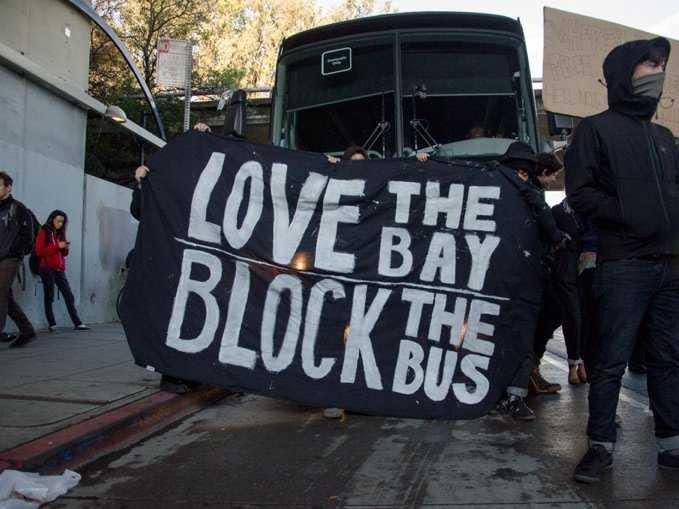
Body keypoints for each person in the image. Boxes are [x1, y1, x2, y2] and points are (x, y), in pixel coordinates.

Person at [566, 37, 679, 482]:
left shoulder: (665, 136)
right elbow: (580, 193)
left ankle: (671, 445)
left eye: (661, 65)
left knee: (668, 359)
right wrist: (630, 215)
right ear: (622, 75)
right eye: (647, 65)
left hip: (670, 265)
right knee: (611, 359)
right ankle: (599, 446)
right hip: (624, 265)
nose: (658, 72)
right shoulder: (594, 129)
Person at [496, 142, 569, 420]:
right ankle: (513, 395)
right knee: (522, 333)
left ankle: (517, 391)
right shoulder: (527, 195)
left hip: (519, 278)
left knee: (524, 333)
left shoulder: (520, 193)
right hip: (515, 279)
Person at [34, 210, 89, 332]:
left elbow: (63, 254)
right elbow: (39, 251)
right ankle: (52, 324)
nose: (60, 224)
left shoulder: (60, 233)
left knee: (69, 295)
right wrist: (57, 246)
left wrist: (65, 248)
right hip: (46, 268)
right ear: (51, 219)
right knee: (49, 296)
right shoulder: (44, 232)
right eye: (58, 221)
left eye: (62, 222)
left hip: (59, 269)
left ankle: (77, 322)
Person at [0, 171, 36, 347]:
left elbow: (28, 237)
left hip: (10, 258)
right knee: (5, 296)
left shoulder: (18, 208)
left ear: (8, 187)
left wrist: (16, 252)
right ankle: (27, 331)